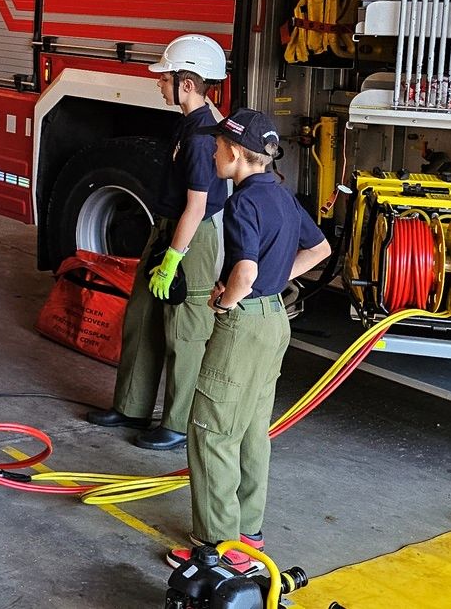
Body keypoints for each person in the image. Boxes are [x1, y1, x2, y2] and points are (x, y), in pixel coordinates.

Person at [171, 109, 330, 571]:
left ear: (237, 153)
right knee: (251, 430)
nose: (213, 153)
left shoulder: (242, 203)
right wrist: (273, 282)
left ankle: (217, 550)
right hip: (275, 320)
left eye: (219, 147)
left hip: (244, 326)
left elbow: (243, 272)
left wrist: (226, 303)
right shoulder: (281, 194)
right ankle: (248, 536)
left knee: (213, 430)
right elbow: (320, 249)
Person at [87, 34, 230, 451]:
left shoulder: (202, 138)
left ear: (186, 84)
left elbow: (197, 207)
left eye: (164, 78)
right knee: (143, 316)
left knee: (184, 330)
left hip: (190, 237)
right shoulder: (187, 124)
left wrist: (172, 260)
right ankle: (131, 407)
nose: (158, 83)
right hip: (167, 227)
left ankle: (178, 423)